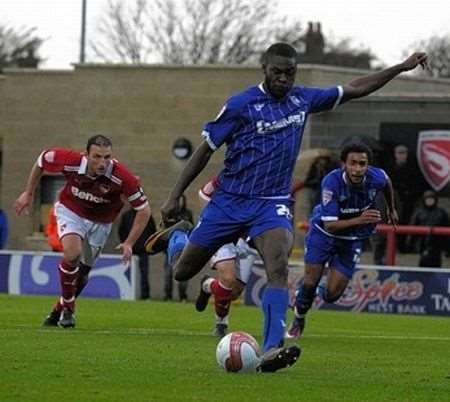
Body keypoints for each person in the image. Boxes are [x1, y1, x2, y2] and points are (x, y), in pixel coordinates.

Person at [158, 42, 427, 373]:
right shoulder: (241, 105)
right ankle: (180, 238)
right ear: (264, 69)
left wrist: (400, 67)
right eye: (277, 72)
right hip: (229, 201)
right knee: (182, 270)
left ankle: (272, 348)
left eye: (290, 73)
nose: (284, 79)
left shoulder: (302, 99)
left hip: (271, 205)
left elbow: (356, 88)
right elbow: (204, 150)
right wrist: (174, 195)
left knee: (278, 267)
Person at [14, 134, 151, 328]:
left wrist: (129, 242)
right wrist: (28, 193)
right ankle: (69, 309)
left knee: (83, 274)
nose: (102, 162)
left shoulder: (122, 177)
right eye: (97, 157)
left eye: (107, 157)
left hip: (101, 223)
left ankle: (58, 310)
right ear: (85, 154)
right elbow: (42, 159)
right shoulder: (70, 161)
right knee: (72, 255)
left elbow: (144, 210)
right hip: (71, 211)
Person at [286, 142, 398, 339]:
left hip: (352, 238)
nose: (357, 169)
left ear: (368, 165)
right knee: (311, 280)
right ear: (343, 164)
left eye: (362, 164)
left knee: (332, 295)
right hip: (323, 234)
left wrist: (391, 208)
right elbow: (331, 225)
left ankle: (307, 293)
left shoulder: (376, 176)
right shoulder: (332, 183)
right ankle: (298, 319)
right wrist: (360, 219)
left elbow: (387, 182)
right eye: (353, 163)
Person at [118, 206, 157, 299]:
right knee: (129, 272)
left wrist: (148, 244)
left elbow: (152, 231)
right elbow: (121, 231)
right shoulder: (126, 215)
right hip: (130, 250)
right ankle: (128, 294)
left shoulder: (147, 215)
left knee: (144, 273)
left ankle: (145, 295)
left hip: (143, 249)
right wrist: (126, 243)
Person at [162, 194, 194, 302]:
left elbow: (192, 230)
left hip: (185, 248)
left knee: (183, 272)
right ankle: (168, 296)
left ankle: (183, 296)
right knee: (168, 273)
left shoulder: (188, 214)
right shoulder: (169, 214)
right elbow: (163, 230)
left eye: (181, 200)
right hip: (170, 248)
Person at [407, 190, 450, 267]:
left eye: (431, 199)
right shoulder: (419, 212)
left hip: (437, 244)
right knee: (423, 263)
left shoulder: (441, 212)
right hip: (422, 243)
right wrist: (410, 244)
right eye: (428, 199)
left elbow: (447, 229)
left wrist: (447, 248)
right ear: (424, 200)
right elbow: (412, 228)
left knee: (436, 264)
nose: (429, 201)